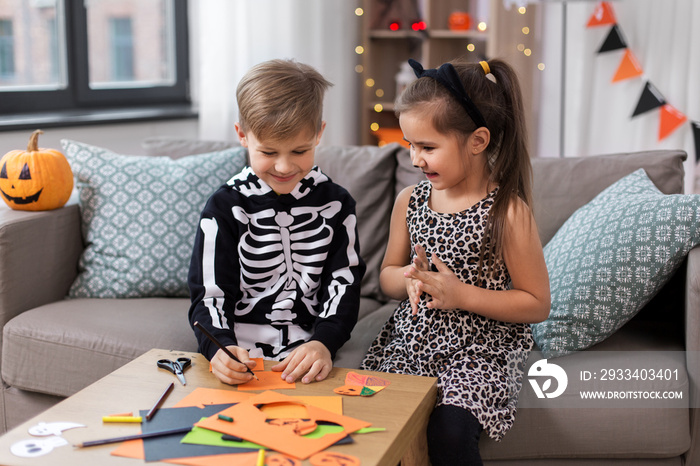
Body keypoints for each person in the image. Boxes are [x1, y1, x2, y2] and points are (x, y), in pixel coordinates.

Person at [361, 57, 550, 465]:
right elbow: (386, 278)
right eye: (410, 145)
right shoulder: (409, 202)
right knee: (379, 427)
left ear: (478, 141)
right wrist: (409, 278)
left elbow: (537, 303)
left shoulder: (507, 211)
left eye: (427, 147)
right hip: (412, 344)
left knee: (448, 434)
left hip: (481, 351)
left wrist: (460, 294)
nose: (415, 159)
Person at [188, 59, 365, 386]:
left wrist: (324, 342)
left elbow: (344, 284)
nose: (284, 167)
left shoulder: (337, 204)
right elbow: (209, 295)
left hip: (310, 355)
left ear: (319, 134)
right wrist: (218, 347)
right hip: (238, 351)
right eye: (268, 151)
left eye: (300, 150)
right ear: (242, 135)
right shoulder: (224, 207)